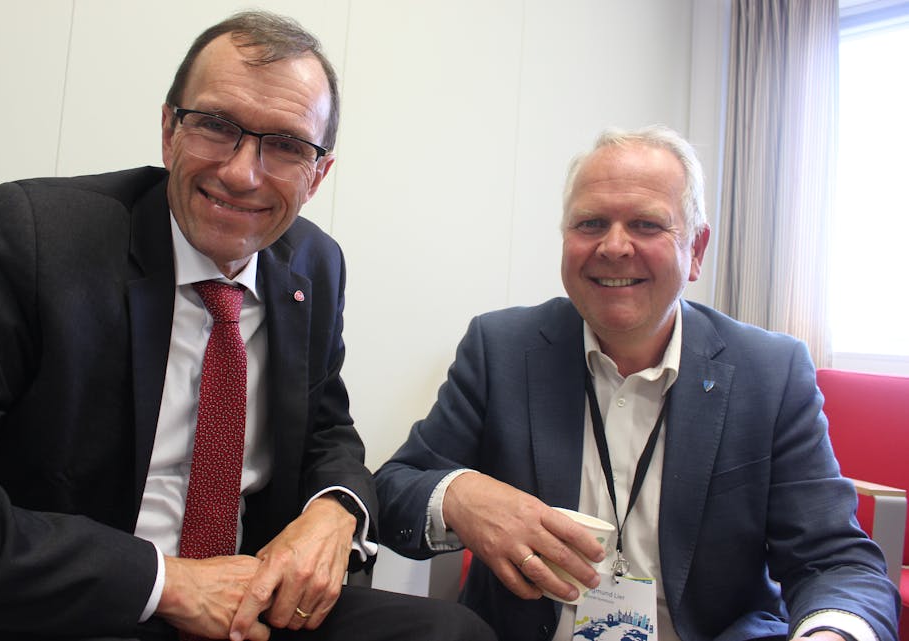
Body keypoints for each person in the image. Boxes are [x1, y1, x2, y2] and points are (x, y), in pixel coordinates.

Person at [0, 10, 495, 641]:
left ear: (319, 174)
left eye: (285, 145)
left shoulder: (313, 265)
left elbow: (328, 432)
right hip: (78, 603)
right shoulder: (34, 236)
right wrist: (165, 582)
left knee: (454, 633)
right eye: (217, 126)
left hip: (246, 607)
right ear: (169, 129)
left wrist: (334, 509)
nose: (241, 173)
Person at [374, 125, 899, 641]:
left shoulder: (771, 371)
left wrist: (830, 633)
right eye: (591, 223)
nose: (614, 246)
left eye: (647, 225)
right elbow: (396, 486)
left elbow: (835, 562)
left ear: (695, 249)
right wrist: (460, 495)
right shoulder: (501, 348)